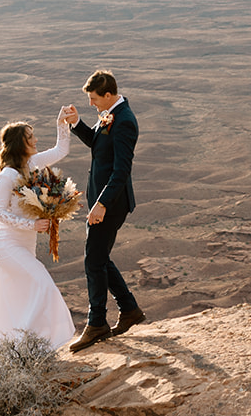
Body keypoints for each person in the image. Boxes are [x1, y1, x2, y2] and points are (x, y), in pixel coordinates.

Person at [0, 113, 76, 348]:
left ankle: (15, 346)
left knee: (20, 299)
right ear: (20, 143)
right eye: (31, 138)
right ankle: (30, 345)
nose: (36, 141)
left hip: (26, 245)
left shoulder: (32, 166)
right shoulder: (7, 176)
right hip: (7, 245)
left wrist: (61, 124)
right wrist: (32, 225)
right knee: (43, 285)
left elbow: (61, 150)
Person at [66, 69, 145, 351]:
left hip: (111, 204)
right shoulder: (111, 113)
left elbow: (121, 170)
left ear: (108, 95)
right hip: (102, 202)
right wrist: (78, 125)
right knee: (100, 258)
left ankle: (96, 322)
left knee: (93, 260)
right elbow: (100, 146)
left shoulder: (124, 121)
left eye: (94, 98)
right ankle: (130, 309)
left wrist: (101, 204)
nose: (91, 103)